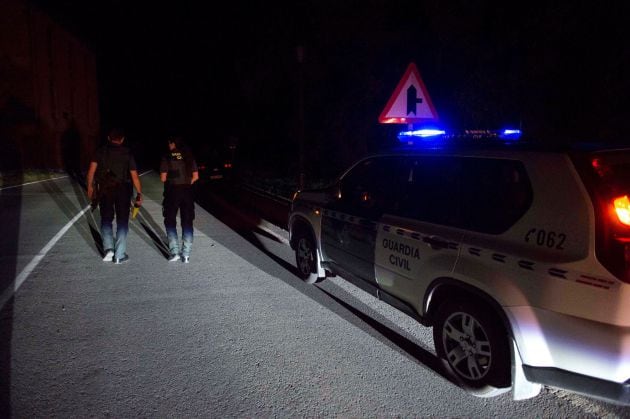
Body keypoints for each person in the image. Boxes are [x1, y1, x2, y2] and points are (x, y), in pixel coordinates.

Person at [86, 128, 143, 264]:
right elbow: (134, 176)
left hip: (105, 189)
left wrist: (90, 186)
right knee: (122, 221)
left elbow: (91, 171)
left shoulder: (100, 151)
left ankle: (109, 249)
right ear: (122, 139)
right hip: (123, 189)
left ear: (108, 138)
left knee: (106, 218)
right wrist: (139, 194)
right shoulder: (127, 153)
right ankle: (119, 255)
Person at [160, 136, 199, 263]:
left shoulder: (167, 156)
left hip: (172, 191)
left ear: (172, 143)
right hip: (187, 191)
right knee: (187, 221)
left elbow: (163, 178)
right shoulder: (188, 156)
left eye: (169, 143)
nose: (168, 146)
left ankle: (175, 251)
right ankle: (186, 254)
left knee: (170, 220)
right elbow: (195, 176)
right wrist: (187, 183)